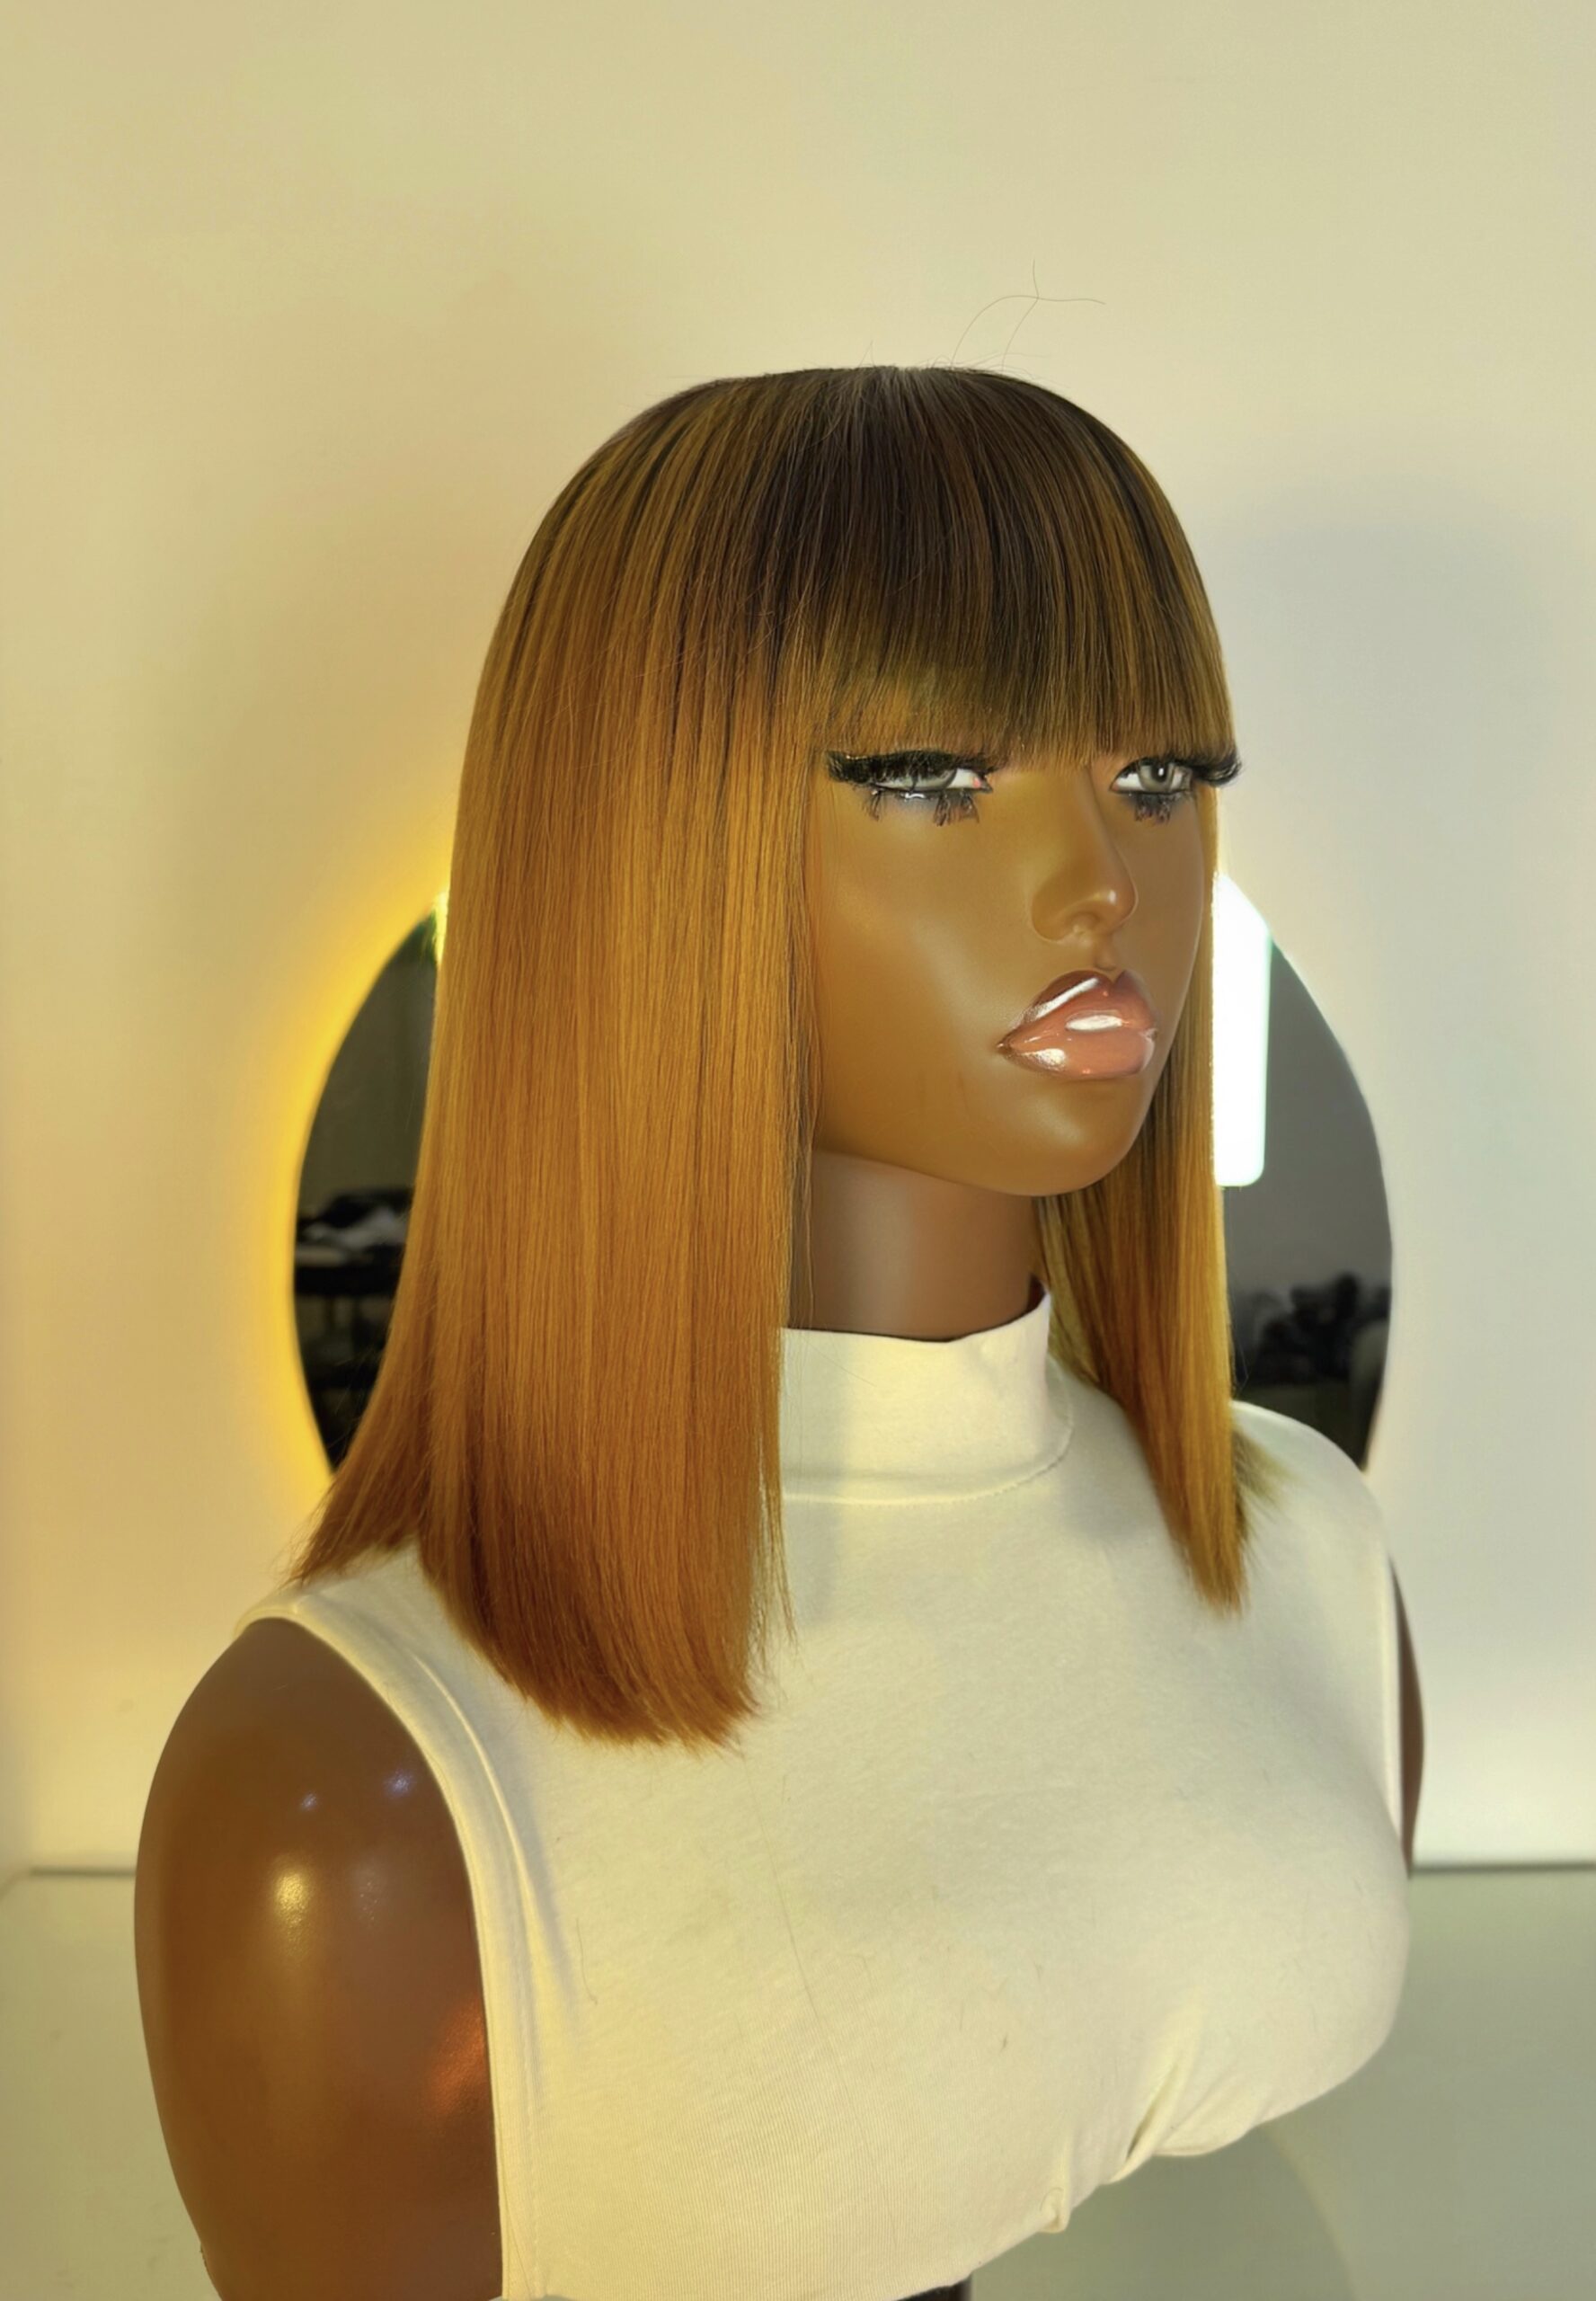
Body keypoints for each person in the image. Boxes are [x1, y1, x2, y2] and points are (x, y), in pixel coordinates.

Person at [134, 363, 1423, 2301]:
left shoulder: (1308, 1550)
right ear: (649, 846)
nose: (1100, 880)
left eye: (1159, 776)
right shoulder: (362, 1796)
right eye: (933, 781)